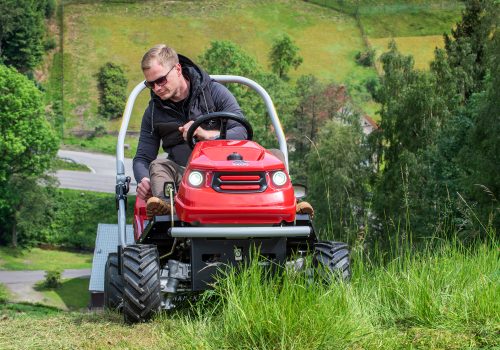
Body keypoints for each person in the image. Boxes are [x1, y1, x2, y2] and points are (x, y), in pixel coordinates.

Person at [133, 44, 314, 219]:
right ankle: (169, 211)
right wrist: (144, 179)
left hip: (229, 170)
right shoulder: (154, 113)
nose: (157, 88)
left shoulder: (214, 92)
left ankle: (291, 205)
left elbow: (241, 129)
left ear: (178, 69)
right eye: (151, 84)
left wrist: (208, 135)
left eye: (161, 80)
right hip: (186, 179)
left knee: (274, 155)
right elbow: (143, 157)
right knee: (158, 166)